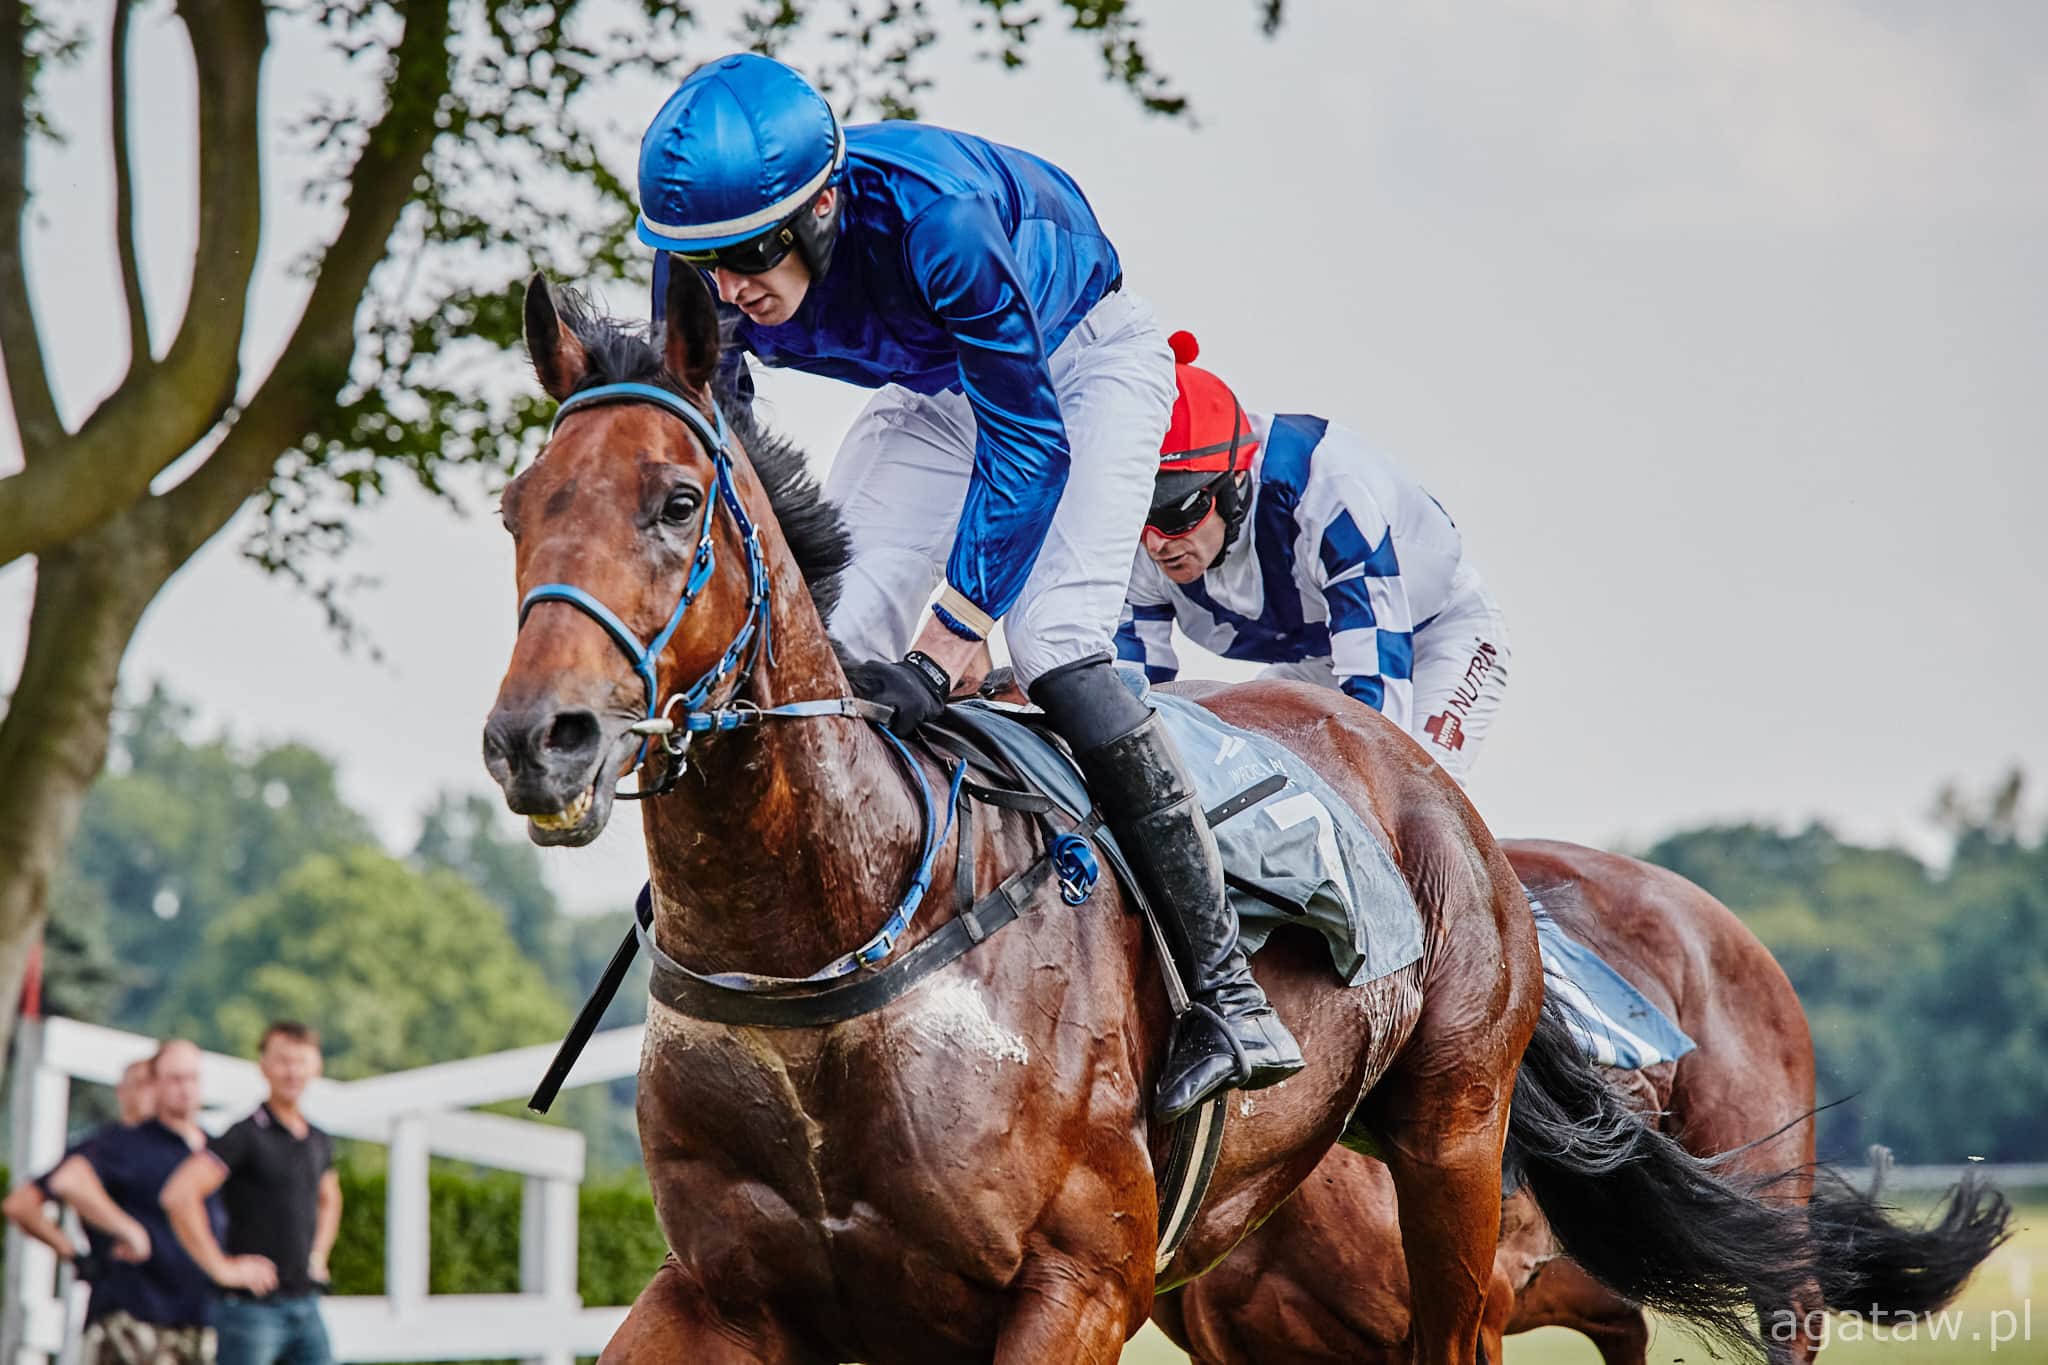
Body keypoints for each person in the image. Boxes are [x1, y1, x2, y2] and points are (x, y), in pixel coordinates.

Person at [635, 53, 1300, 1121]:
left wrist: (951, 638)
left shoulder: (935, 225)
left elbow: (1028, 441)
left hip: (1078, 366)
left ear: (822, 209)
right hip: (932, 386)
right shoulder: (700, 275)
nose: (727, 289)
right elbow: (723, 441)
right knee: (831, 639)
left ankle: (1226, 994)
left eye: (750, 255)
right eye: (697, 262)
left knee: (1053, 645)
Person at [1117, 334, 1511, 785]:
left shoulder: (1328, 496)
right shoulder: (1143, 547)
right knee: (1232, 781)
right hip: (1319, 658)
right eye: (1136, 515)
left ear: (1234, 486)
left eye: (1175, 513)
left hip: (1433, 638)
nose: (1155, 544)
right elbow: (1134, 702)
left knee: (1405, 791)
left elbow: (1377, 703)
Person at [161, 1022, 338, 1365]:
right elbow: (179, 1194)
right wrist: (221, 1268)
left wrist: (319, 1255)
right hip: (252, 1311)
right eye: (283, 1061)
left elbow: (330, 1197)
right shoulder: (245, 1135)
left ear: (315, 1066)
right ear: (264, 1066)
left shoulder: (317, 1139)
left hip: (305, 1304)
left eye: (300, 1061)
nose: (292, 1071)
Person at [39, 1040, 223, 1364]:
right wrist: (123, 1229)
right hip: (136, 1318)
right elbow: (64, 1182)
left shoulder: (212, 1149)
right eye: (175, 1079)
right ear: (157, 1085)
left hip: (199, 1320)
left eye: (192, 1078)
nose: (186, 1089)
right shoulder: (125, 1142)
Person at [2, 1058, 159, 1310]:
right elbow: (21, 1205)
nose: (148, 1094)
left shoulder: (181, 1150)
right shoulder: (104, 1148)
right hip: (119, 1303)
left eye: (153, 1085)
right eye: (140, 1084)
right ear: (122, 1092)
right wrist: (74, 1254)